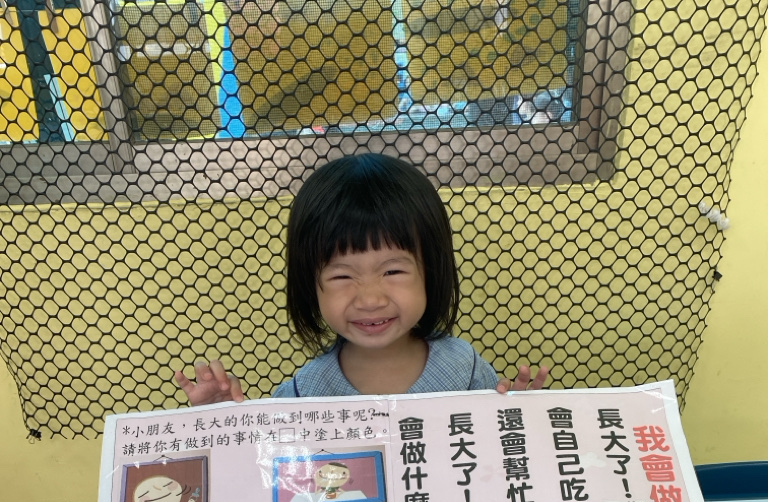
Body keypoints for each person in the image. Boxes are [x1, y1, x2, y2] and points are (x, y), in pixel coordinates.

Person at [174, 153, 548, 403]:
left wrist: (517, 418)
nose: (370, 299)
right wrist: (220, 418)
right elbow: (274, 469)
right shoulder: (305, 392)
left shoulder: (464, 368)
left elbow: (492, 457)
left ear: (431, 272)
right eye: (341, 276)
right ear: (309, 285)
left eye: (393, 271)